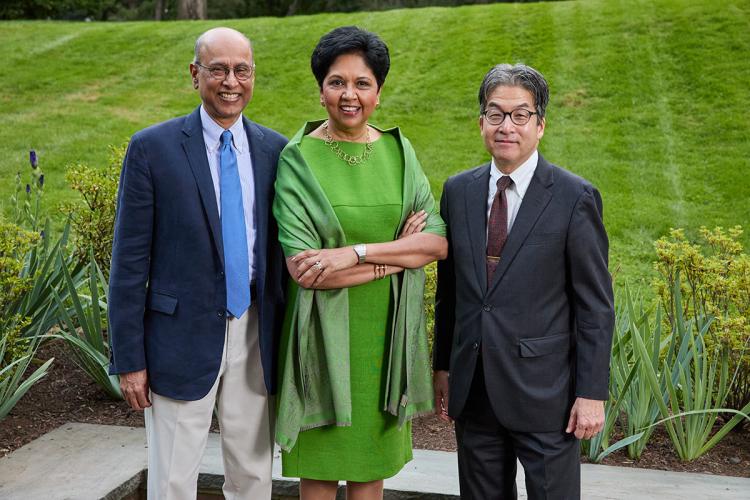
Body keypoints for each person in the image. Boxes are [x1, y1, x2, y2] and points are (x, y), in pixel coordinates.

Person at [108, 27, 288, 499]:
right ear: (195, 75)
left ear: (253, 76)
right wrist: (129, 359)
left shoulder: (276, 150)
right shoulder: (153, 148)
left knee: (253, 475)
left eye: (242, 70)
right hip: (177, 338)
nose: (231, 81)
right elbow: (128, 263)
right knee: (171, 479)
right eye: (218, 69)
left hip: (254, 332)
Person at [272, 26, 447, 500]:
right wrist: (400, 258)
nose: (349, 95)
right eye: (337, 82)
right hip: (322, 340)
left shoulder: (400, 151)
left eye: (362, 83)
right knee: (322, 473)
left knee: (372, 471)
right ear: (321, 88)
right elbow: (308, 273)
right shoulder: (298, 159)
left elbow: (436, 243)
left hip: (385, 340)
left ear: (379, 91)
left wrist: (356, 253)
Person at [432, 63, 615, 499]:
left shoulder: (574, 197)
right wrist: (443, 365)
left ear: (540, 124)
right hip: (474, 390)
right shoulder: (458, 191)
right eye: (495, 114)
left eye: (520, 115)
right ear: (481, 123)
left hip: (546, 397)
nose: (506, 126)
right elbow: (451, 292)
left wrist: (591, 393)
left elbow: (595, 305)